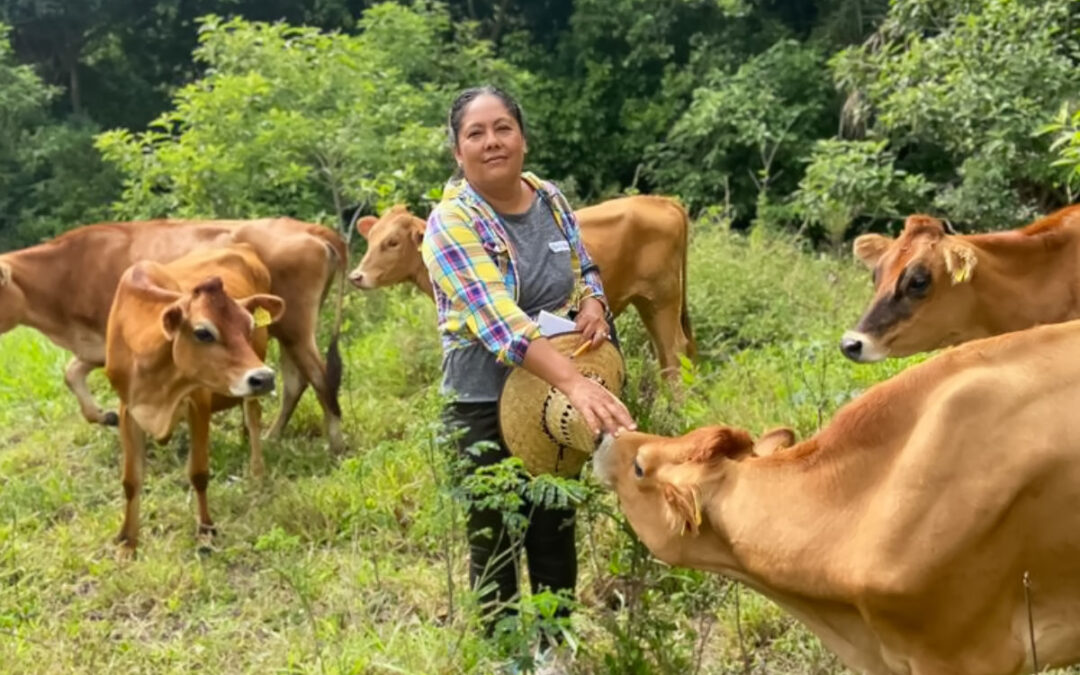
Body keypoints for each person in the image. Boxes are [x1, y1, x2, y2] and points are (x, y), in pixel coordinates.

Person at [421, 85, 636, 635]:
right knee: (492, 531)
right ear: (457, 151)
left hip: (552, 395)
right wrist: (577, 385)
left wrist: (592, 301)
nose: (492, 142)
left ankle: (553, 650)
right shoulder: (451, 223)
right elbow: (498, 322)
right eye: (476, 133)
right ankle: (503, 654)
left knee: (553, 517)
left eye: (503, 128)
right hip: (484, 399)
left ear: (522, 137)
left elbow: (584, 266)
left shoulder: (549, 198)